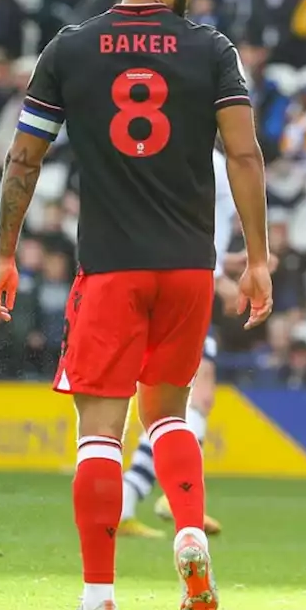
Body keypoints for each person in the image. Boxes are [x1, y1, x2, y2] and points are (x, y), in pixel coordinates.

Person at [0, 0, 273, 610]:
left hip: (110, 268)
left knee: (100, 435)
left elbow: (24, 160)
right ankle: (188, 532)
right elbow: (244, 156)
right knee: (169, 414)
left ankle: (98, 600)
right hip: (187, 268)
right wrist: (259, 257)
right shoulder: (210, 49)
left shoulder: (71, 48)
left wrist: (4, 252)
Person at [117, 144, 233, 539]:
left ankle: (126, 501)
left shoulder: (154, 153)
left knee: (164, 402)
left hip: (149, 281)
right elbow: (193, 233)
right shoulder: (213, 162)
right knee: (192, 399)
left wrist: (227, 273)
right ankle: (177, 490)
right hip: (184, 292)